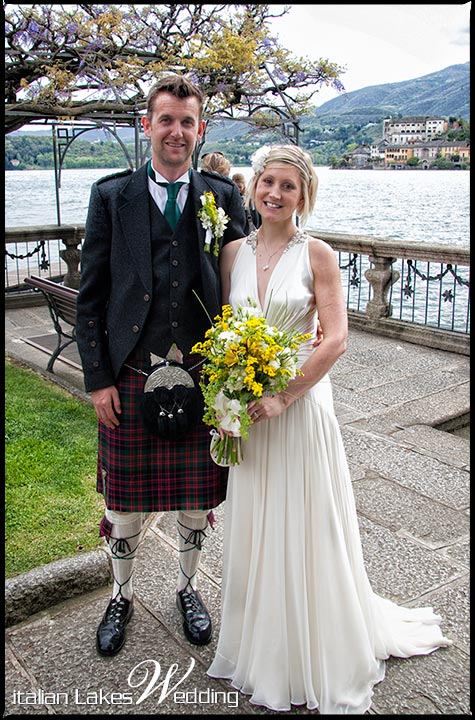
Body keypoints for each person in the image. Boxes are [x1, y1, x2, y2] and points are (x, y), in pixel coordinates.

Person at [207, 144, 452, 714]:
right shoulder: (231, 254)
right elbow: (225, 332)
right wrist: (231, 400)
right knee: (256, 521)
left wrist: (285, 396)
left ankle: (311, 646)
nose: (274, 193)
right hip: (247, 410)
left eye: (287, 186)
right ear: (253, 187)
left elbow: (336, 338)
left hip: (299, 408)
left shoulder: (318, 254)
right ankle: (257, 640)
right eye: (267, 181)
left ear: (304, 195)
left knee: (304, 520)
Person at [75, 74, 247, 657]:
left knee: (195, 500)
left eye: (188, 122)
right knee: (121, 504)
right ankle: (121, 594)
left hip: (202, 376)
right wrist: (97, 379)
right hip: (129, 372)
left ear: (200, 131)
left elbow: (245, 286)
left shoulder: (223, 197)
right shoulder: (110, 196)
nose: (177, 131)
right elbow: (91, 296)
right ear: (146, 125)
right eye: (166, 119)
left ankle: (188, 588)